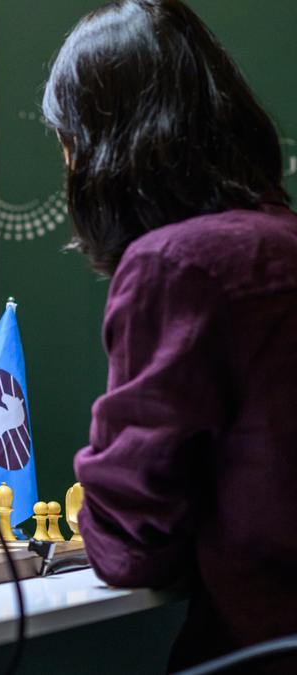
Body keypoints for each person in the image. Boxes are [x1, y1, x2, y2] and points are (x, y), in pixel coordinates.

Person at [43, 1, 297, 671]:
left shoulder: (176, 265)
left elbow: (132, 545)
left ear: (102, 146)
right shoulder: (278, 244)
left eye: (67, 139)